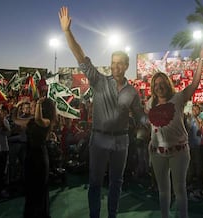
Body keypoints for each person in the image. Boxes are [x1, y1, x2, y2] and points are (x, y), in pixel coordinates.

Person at [59, 6, 147, 218]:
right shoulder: (98, 81)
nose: (115, 66)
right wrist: (67, 32)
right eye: (113, 63)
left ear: (126, 65)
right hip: (98, 139)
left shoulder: (132, 91)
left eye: (119, 63)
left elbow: (139, 115)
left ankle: (112, 215)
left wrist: (153, 120)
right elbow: (81, 56)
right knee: (95, 183)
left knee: (117, 182)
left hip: (122, 141)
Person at [146, 44, 203, 218]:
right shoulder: (150, 103)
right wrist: (151, 143)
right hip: (157, 153)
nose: (159, 86)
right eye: (156, 84)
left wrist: (201, 59)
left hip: (179, 152)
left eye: (162, 83)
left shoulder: (178, 98)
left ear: (167, 84)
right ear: (153, 87)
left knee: (179, 190)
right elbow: (153, 127)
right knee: (163, 191)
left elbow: (195, 83)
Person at [24, 97, 56, 218]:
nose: (31, 108)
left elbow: (38, 119)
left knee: (39, 190)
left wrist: (38, 103)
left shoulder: (47, 121)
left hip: (40, 158)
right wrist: (17, 106)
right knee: (30, 190)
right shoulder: (31, 121)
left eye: (33, 107)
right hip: (30, 156)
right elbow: (15, 120)